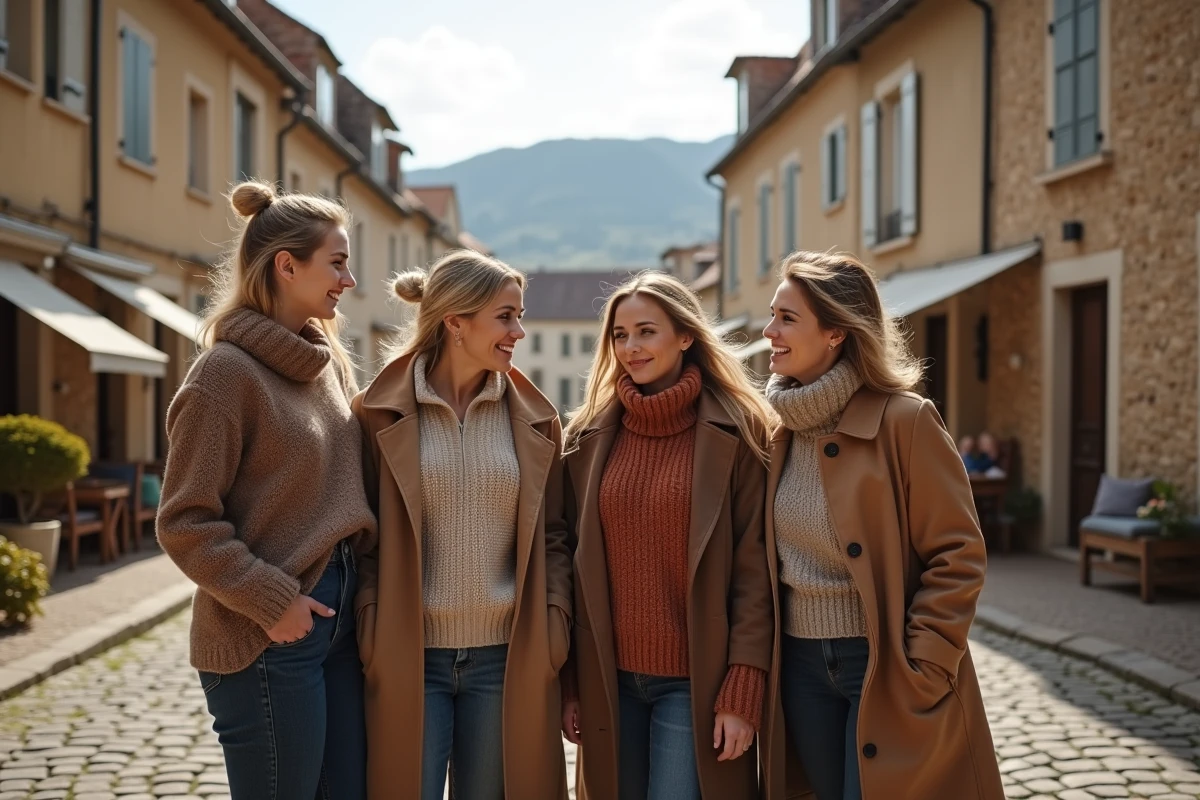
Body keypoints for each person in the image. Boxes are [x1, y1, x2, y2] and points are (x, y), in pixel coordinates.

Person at [157, 181, 376, 800]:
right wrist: (272, 602)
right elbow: (184, 521)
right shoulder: (224, 375)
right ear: (287, 265)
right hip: (268, 631)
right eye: (337, 263)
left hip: (339, 623)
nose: (349, 280)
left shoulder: (325, 364)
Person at [758, 251, 1004, 800]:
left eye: (787, 318)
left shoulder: (906, 421)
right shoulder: (775, 433)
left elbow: (959, 553)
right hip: (798, 668)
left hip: (883, 664)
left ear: (836, 333)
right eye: (772, 315)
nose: (769, 331)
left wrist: (927, 663)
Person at [352, 250, 572, 799]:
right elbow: (363, 535)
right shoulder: (374, 414)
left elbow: (554, 537)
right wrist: (372, 624)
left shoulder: (538, 420)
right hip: (409, 654)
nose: (519, 332)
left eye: (519, 316)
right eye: (505, 317)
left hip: (506, 658)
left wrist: (554, 623)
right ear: (456, 322)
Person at [560, 272, 775, 800]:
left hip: (695, 682)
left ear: (685, 337)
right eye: (620, 335)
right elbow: (566, 563)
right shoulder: (584, 438)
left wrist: (743, 686)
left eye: (646, 332)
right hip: (607, 680)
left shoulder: (742, 432)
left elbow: (756, 571)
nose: (630, 347)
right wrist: (570, 684)